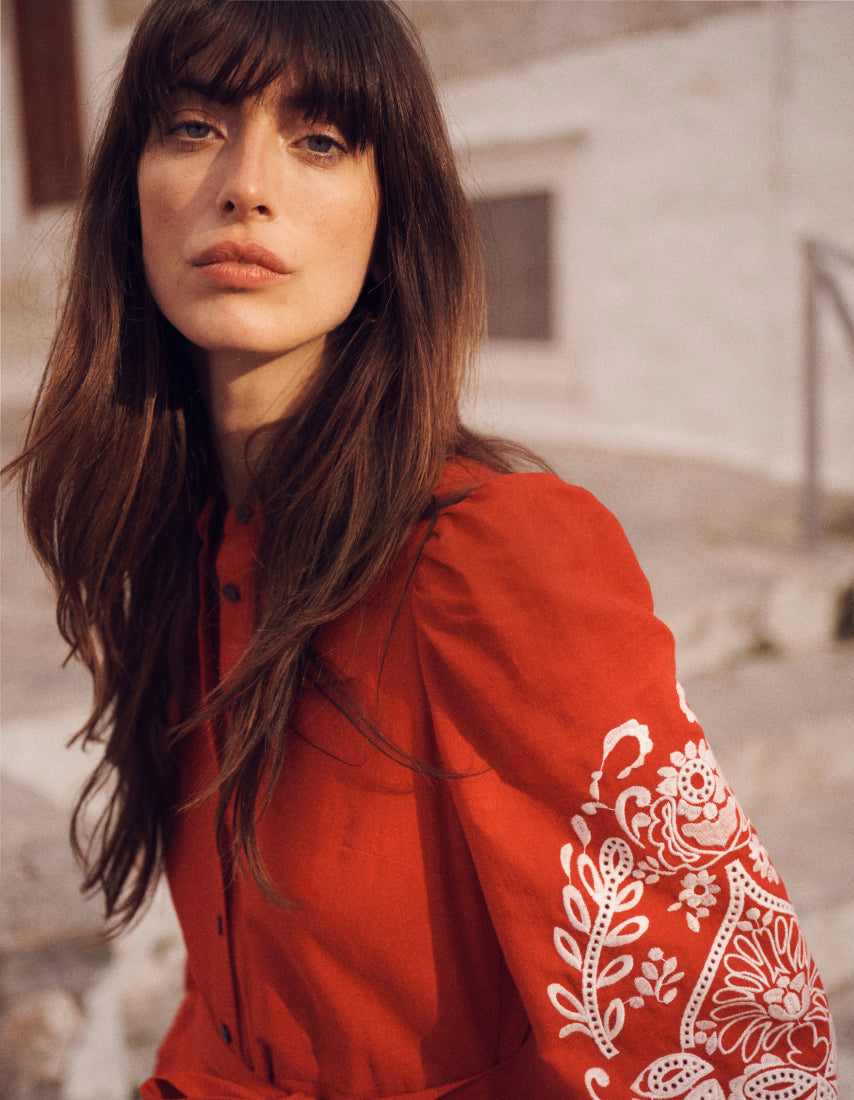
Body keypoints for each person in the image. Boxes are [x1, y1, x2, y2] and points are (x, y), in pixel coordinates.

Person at [6, 1, 838, 1097]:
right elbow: (230, 1008)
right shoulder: (181, 543)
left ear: (388, 216)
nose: (244, 182)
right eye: (194, 127)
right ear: (132, 199)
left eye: (318, 140)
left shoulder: (491, 553)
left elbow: (735, 1037)